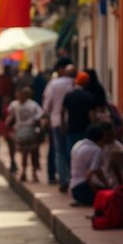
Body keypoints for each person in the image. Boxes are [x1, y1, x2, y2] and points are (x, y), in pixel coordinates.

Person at [43, 59, 75, 192]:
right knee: (72, 151)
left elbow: (47, 104)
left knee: (60, 152)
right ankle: (73, 179)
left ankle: (63, 180)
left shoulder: (54, 84)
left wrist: (47, 116)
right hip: (73, 122)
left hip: (57, 122)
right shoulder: (75, 84)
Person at [7, 87, 43, 182]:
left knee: (33, 153)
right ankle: (24, 171)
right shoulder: (15, 105)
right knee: (24, 153)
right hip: (20, 131)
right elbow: (10, 116)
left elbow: (40, 114)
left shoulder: (33, 105)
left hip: (30, 131)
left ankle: (33, 172)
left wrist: (33, 121)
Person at [69, 123, 110, 206]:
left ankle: (82, 200)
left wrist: (106, 186)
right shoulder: (97, 150)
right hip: (83, 187)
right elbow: (89, 175)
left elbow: (98, 171)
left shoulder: (78, 144)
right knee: (106, 199)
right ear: (100, 139)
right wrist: (96, 194)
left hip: (73, 188)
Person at [62, 71, 97, 149]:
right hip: (85, 129)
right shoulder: (89, 96)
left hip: (72, 128)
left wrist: (63, 125)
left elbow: (63, 111)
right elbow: (92, 115)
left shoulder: (69, 95)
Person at [101, 123, 123, 187]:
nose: (112, 136)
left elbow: (119, 170)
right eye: (109, 135)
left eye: (113, 133)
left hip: (114, 183)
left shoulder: (118, 148)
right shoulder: (100, 145)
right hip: (103, 180)